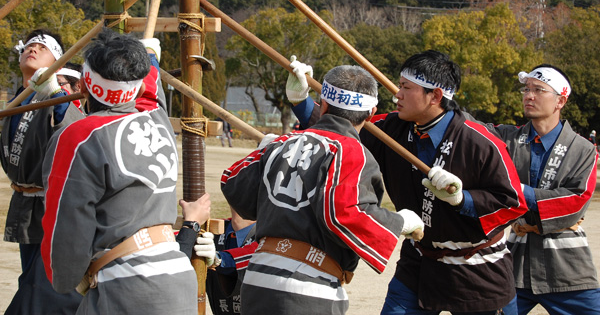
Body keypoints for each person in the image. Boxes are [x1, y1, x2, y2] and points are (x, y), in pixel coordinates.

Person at [288, 51, 527, 314]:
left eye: (405, 88)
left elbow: (513, 203)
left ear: (435, 96)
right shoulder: (392, 128)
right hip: (419, 262)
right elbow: (338, 129)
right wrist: (302, 102)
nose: (396, 95)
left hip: (478, 269)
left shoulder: (480, 141)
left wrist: (463, 199)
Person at [221, 65, 424, 315]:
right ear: (371, 113)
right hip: (308, 285)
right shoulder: (352, 151)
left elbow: (233, 182)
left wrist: (263, 152)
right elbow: (345, 213)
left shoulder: (284, 142)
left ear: (323, 104)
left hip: (256, 277)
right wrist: (400, 222)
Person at [40, 29, 197, 314]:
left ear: (85, 85)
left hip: (124, 286)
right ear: (136, 87)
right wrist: (150, 58)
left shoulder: (79, 137)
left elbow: (66, 221)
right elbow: (150, 93)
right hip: (177, 277)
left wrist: (65, 279)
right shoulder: (158, 120)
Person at [494, 65, 600, 314]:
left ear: (560, 101)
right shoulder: (508, 138)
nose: (529, 95)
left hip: (568, 270)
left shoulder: (582, 149)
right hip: (516, 262)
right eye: (526, 89)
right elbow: (471, 129)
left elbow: (574, 201)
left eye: (539, 90)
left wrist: (516, 191)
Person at [2, 29, 84, 314]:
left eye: (42, 46)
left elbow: (77, 131)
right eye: (29, 46)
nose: (32, 49)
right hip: (25, 202)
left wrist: (56, 94)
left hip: (53, 207)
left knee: (42, 289)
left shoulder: (56, 96)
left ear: (58, 61)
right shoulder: (18, 100)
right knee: (30, 279)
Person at [183, 204, 258, 315]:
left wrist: (219, 259)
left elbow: (259, 254)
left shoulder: (274, 235)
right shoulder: (211, 230)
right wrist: (189, 227)